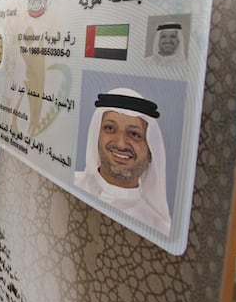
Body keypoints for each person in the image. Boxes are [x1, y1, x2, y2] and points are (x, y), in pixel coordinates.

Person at [73, 88, 171, 236]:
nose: (121, 144)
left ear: (150, 152)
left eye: (134, 134)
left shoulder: (158, 228)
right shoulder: (71, 184)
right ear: (96, 137)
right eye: (110, 128)